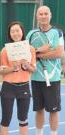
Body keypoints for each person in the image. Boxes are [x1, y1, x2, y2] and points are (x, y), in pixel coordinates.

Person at [26, 5, 64, 135]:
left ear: (50, 15)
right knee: (39, 110)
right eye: (40, 14)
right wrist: (42, 50)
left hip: (53, 78)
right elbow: (27, 53)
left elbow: (58, 53)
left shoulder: (57, 32)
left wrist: (36, 54)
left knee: (53, 110)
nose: (43, 16)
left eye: (45, 14)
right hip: (36, 77)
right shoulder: (31, 34)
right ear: (37, 16)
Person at [0, 21, 36, 135]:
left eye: (17, 30)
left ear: (22, 32)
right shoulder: (5, 51)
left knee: (23, 118)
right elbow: (1, 71)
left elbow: (33, 69)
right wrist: (12, 68)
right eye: (12, 31)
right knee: (6, 119)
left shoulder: (30, 49)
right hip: (8, 87)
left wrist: (26, 64)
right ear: (10, 34)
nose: (15, 33)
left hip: (24, 86)